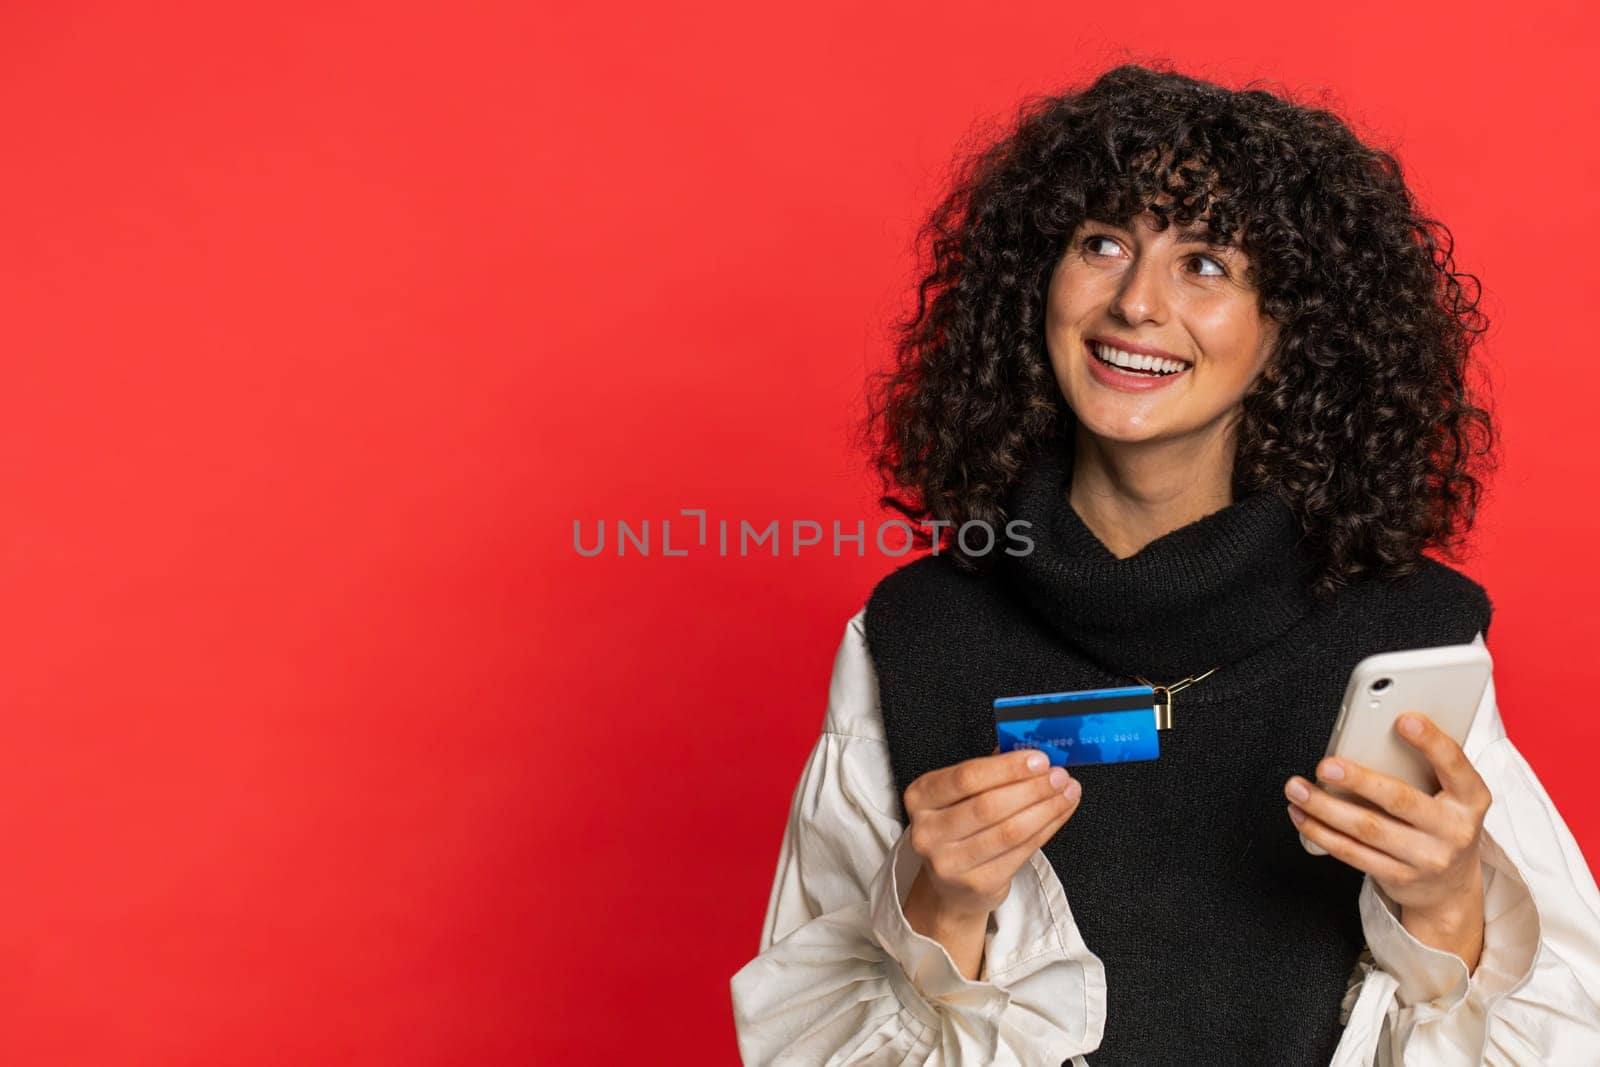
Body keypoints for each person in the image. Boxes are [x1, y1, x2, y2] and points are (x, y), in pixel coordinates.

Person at [728, 63, 1600, 1065]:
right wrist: (936, 907)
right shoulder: (916, 636)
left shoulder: (1407, 638)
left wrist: (1450, 913)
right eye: (1101, 244)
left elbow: (1554, 1032)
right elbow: (814, 1043)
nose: (1136, 302)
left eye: (1207, 264)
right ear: (1035, 282)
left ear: (1291, 331)